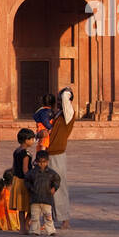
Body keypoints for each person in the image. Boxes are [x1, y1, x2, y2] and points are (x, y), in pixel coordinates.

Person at [48, 86, 75, 229]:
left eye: (61, 100)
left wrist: (66, 91)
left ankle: (64, 219)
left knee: (60, 186)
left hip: (58, 155)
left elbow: (65, 98)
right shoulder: (57, 115)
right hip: (47, 154)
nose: (59, 102)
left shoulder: (68, 115)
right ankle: (50, 218)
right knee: (46, 186)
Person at [26, 150, 60, 235]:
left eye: (44, 162)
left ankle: (51, 231)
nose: (42, 164)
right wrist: (30, 188)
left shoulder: (51, 173)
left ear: (47, 161)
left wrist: (54, 188)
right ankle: (34, 230)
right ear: (36, 162)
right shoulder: (32, 172)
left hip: (47, 198)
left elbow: (57, 180)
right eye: (40, 162)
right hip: (35, 198)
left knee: (48, 216)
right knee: (34, 217)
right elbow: (26, 180)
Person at [10, 127, 34, 230]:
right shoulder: (26, 154)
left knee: (21, 207)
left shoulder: (17, 151)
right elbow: (25, 170)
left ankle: (22, 228)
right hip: (24, 181)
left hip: (16, 180)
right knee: (30, 205)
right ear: (26, 140)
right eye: (32, 139)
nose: (33, 141)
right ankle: (26, 224)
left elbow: (14, 166)